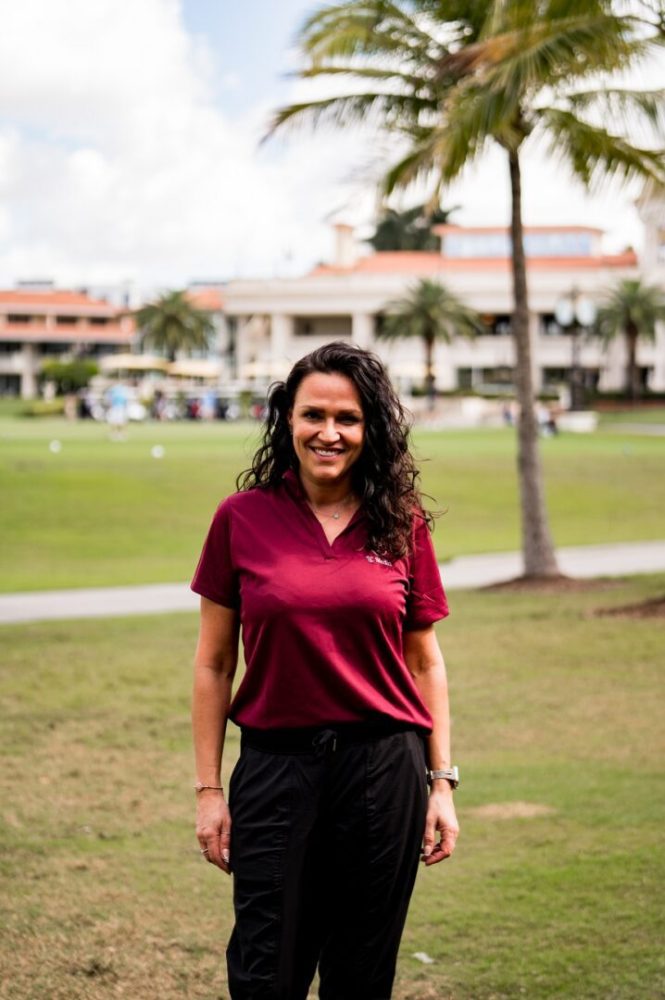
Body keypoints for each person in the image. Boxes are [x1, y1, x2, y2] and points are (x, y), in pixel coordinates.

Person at [191, 341, 459, 1000]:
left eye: (348, 419)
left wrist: (442, 783)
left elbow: (423, 658)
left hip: (382, 768)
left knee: (361, 972)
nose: (329, 433)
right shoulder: (241, 518)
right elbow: (213, 662)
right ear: (287, 419)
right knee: (264, 970)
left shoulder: (401, 522)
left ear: (371, 430)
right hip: (275, 768)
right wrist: (207, 792)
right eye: (314, 415)